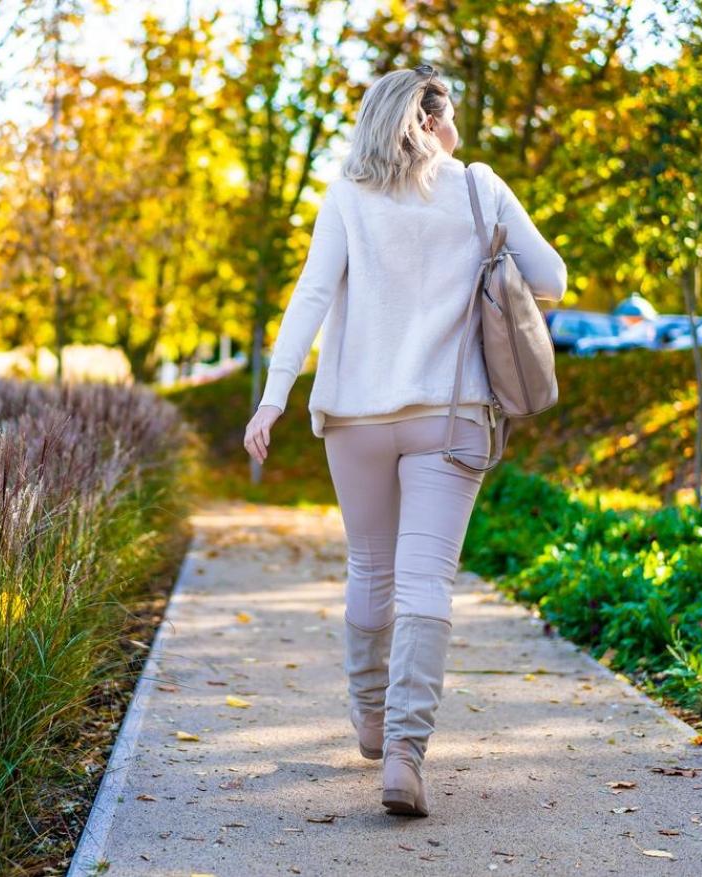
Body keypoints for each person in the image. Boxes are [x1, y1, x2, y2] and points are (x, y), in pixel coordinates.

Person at [242, 65, 567, 818]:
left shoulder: (349, 194)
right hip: (450, 414)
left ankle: (370, 716)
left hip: (355, 416)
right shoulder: (480, 186)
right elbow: (549, 278)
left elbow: (312, 295)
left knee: (369, 566)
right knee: (427, 583)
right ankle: (403, 757)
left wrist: (273, 396)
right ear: (436, 120)